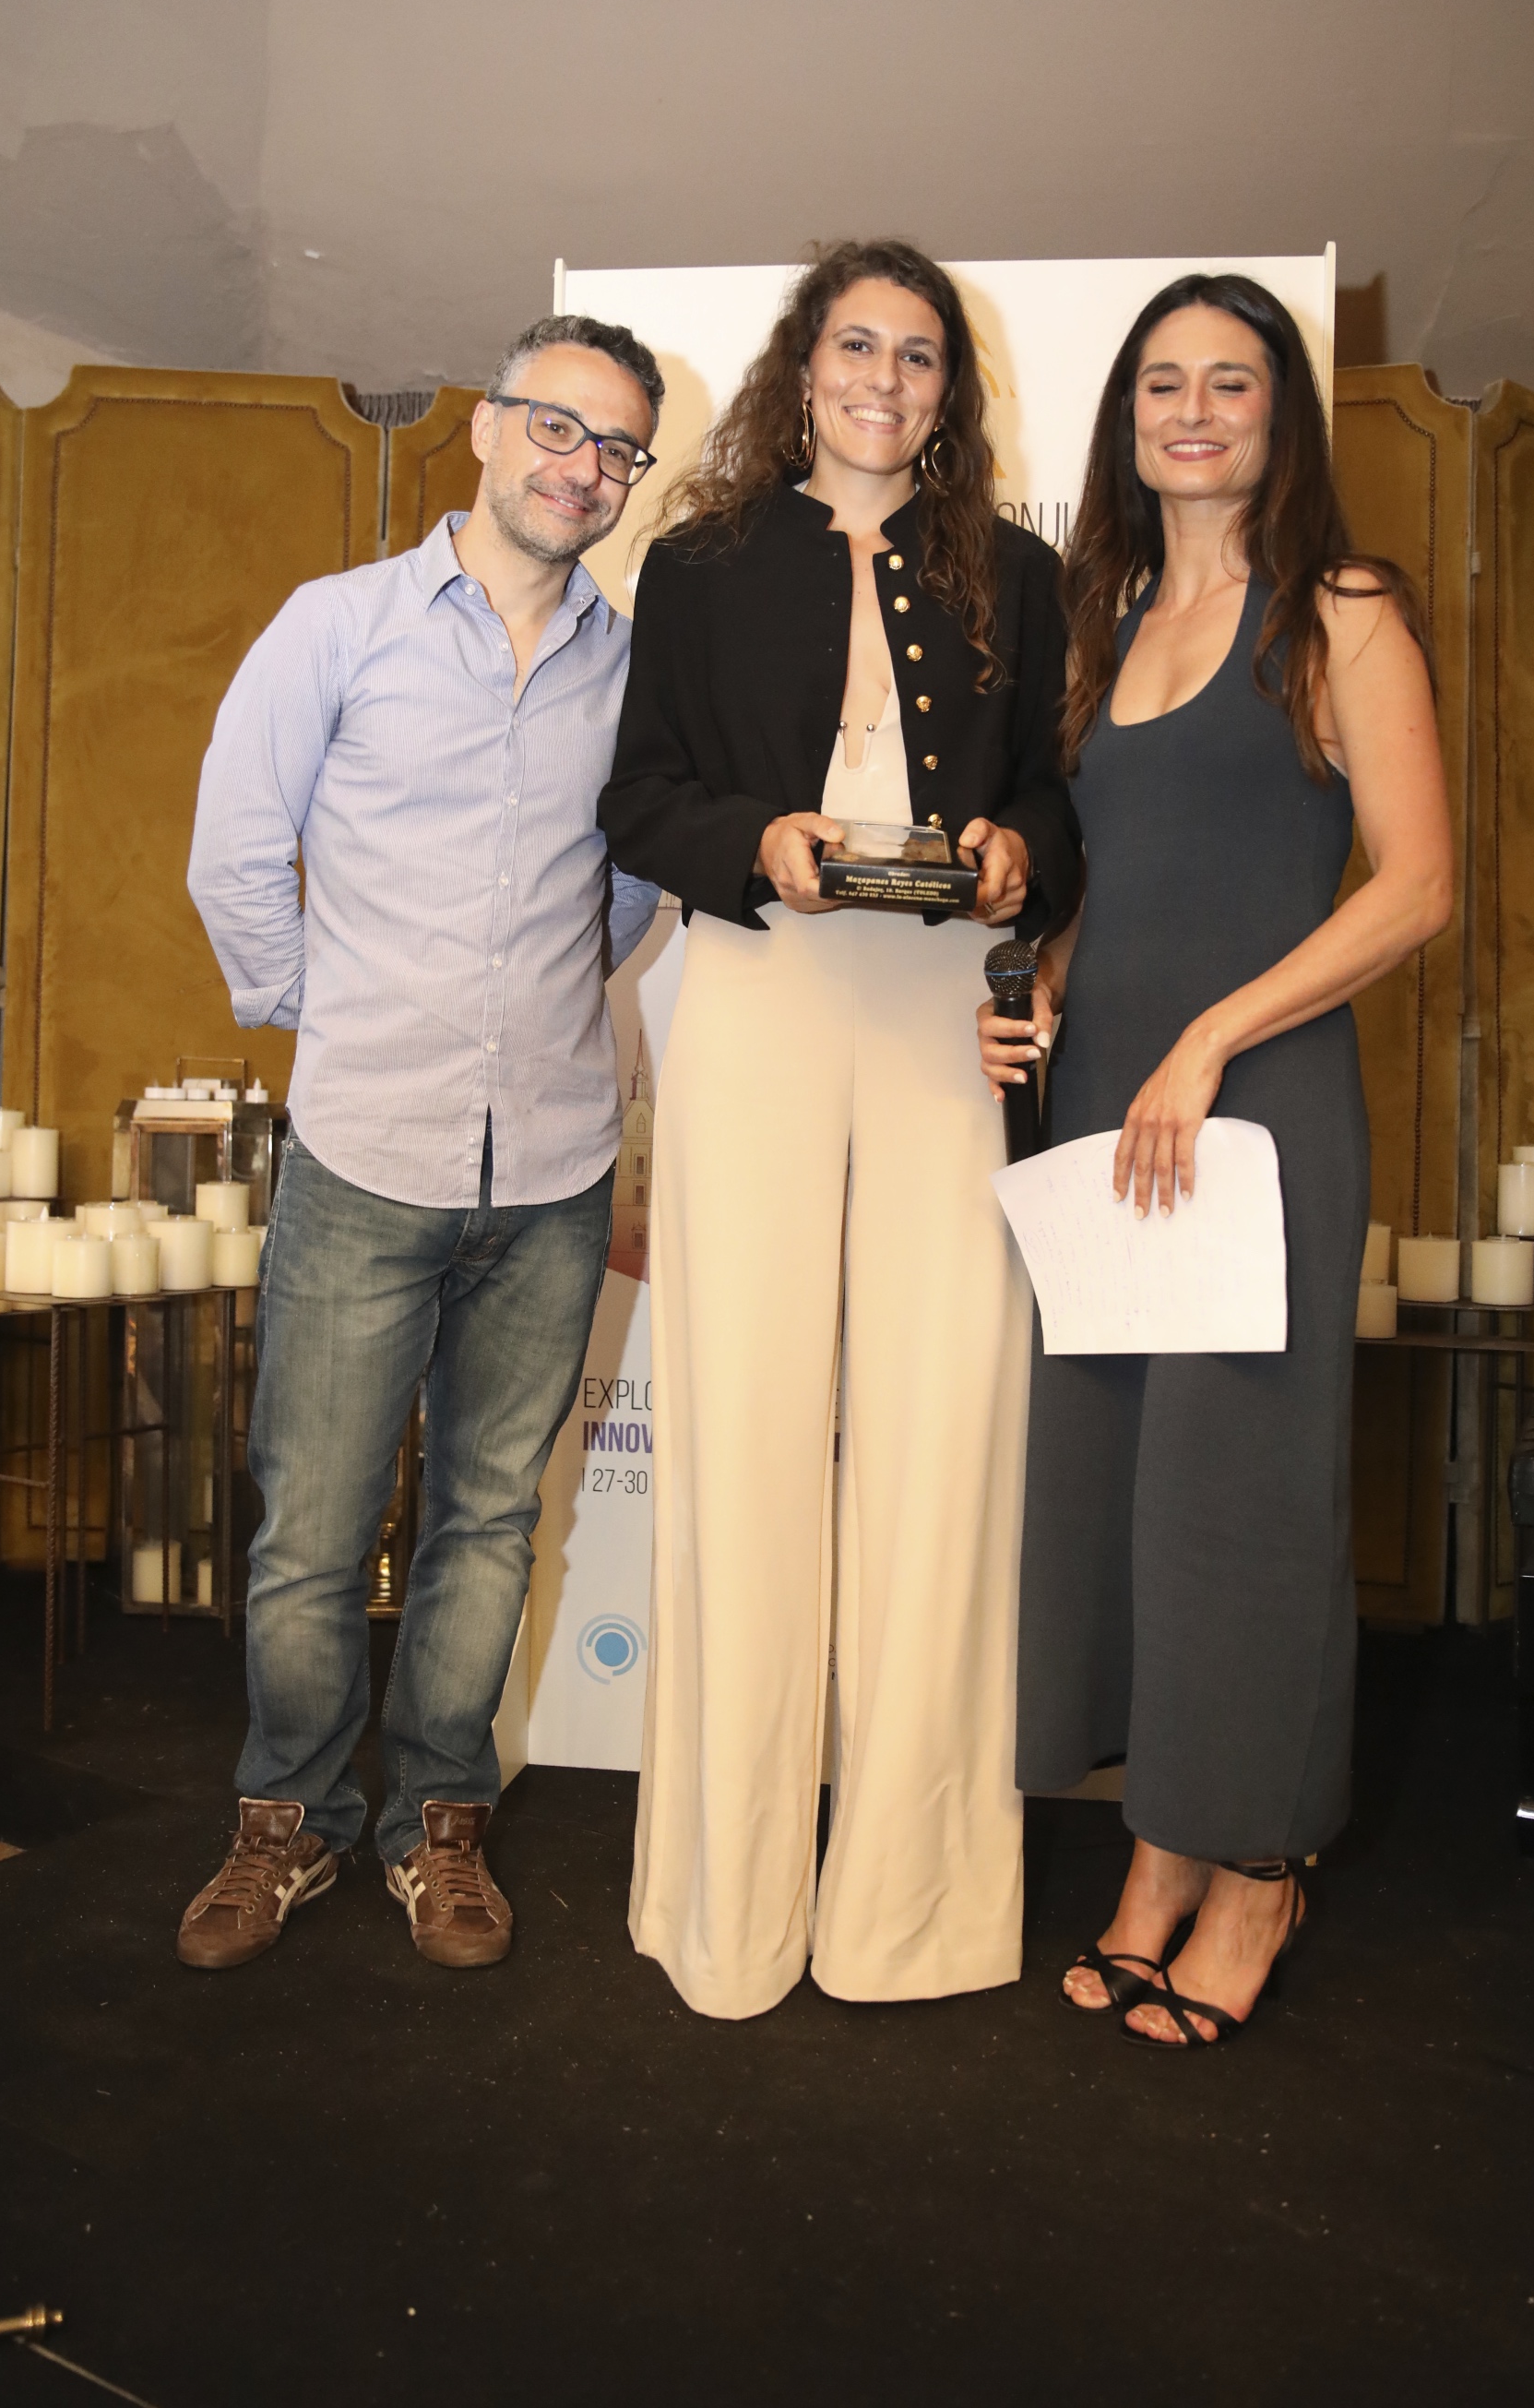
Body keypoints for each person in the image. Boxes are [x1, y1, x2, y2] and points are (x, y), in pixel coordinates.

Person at [599, 239, 1081, 2020]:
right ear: (803, 366)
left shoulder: (1016, 573)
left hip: (946, 1011)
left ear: (950, 390)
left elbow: (1055, 797)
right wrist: (758, 841)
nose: (884, 377)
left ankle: (912, 1911)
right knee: (739, 1425)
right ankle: (726, 1908)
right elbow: (638, 796)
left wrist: (1021, 853)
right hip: (761, 990)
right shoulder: (701, 561)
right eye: (856, 344)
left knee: (943, 1433)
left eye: (918, 354)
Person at [979, 273, 1451, 2047]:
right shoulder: (1102, 622)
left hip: (1255, 1109)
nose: (1192, 410)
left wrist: (1210, 1036)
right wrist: (1041, 994)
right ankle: (1156, 1856)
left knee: (1241, 1497)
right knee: (1122, 1494)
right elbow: (1109, 878)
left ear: (1280, 413)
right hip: (1109, 1108)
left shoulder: (1339, 608)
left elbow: (1415, 885)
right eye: (1162, 383)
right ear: (1128, 419)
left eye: (1229, 382)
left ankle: (1256, 1867)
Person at [179, 313, 665, 1972]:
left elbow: (631, 890)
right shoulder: (337, 625)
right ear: (486, 427)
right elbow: (236, 848)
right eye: (558, 426)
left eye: (616, 447)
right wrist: (336, 1014)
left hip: (553, 1171)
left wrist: (533, 1007)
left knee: (488, 1522)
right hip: (362, 1155)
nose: (582, 467)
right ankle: (289, 1819)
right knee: (311, 1530)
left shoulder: (629, 668)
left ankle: (438, 1820)